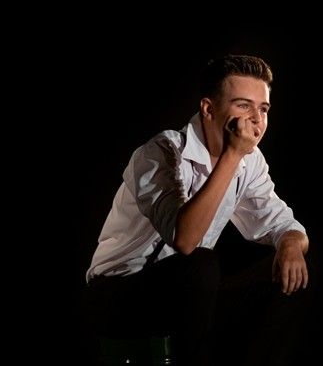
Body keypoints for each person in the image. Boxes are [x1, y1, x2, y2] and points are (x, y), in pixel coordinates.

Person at [85, 55, 310, 366]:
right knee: (201, 266)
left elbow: (282, 222)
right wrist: (232, 155)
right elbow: (185, 239)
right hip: (117, 295)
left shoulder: (251, 161)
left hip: (185, 295)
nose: (256, 120)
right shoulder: (160, 153)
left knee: (293, 274)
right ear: (208, 108)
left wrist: (290, 244)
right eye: (243, 106)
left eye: (263, 109)